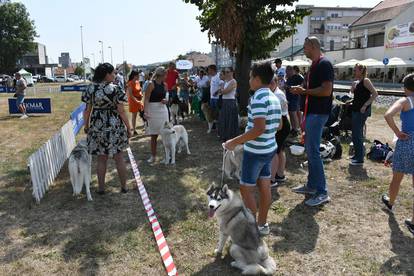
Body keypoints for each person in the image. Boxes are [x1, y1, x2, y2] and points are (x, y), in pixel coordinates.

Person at [224, 62, 281, 236]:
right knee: (265, 186)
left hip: (255, 152)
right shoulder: (273, 97)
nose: (248, 80)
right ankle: (262, 224)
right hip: (269, 149)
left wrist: (234, 141)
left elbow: (258, 129)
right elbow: (278, 125)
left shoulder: (258, 98)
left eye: (250, 77)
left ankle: (251, 226)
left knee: (245, 188)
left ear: (256, 79)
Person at [290, 36, 334, 207]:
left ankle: (322, 192)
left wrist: (304, 91)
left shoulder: (324, 64)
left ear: (314, 46)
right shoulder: (314, 66)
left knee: (313, 151)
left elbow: (326, 90)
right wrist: (301, 90)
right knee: (310, 149)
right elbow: (311, 90)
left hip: (318, 114)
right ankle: (311, 185)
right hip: (311, 113)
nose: (304, 50)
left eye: (305, 47)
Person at [82, 63, 132, 194]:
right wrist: (129, 127)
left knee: (101, 158)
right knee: (119, 157)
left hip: (97, 126)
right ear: (107, 75)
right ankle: (124, 187)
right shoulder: (116, 89)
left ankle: (101, 189)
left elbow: (87, 111)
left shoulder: (90, 88)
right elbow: (121, 111)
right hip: (114, 126)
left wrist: (86, 126)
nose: (115, 76)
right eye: (113, 73)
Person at [382, 73, 414, 236]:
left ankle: (390, 202)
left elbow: (388, 115)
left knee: (397, 178)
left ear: (405, 87)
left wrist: (397, 132)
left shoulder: (405, 100)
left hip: (408, 142)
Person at [350, 63, 378, 166]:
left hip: (362, 111)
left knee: (358, 134)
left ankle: (359, 158)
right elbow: (355, 94)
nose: (353, 72)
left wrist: (365, 105)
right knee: (355, 134)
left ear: (361, 71)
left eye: (355, 70)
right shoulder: (358, 81)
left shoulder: (366, 81)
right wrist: (353, 88)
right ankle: (357, 154)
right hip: (356, 109)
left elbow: (375, 94)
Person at [144, 67, 169, 163]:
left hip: (163, 110)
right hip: (152, 110)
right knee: (154, 135)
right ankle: (153, 156)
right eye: (165, 75)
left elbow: (167, 97)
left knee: (165, 134)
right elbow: (146, 99)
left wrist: (166, 101)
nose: (166, 77)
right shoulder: (151, 84)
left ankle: (166, 156)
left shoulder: (165, 85)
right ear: (161, 75)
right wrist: (146, 112)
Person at [269, 77, 290, 187]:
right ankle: (280, 174)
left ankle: (272, 179)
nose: (270, 84)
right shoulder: (275, 92)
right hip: (281, 122)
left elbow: (279, 113)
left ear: (277, 82)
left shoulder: (277, 94)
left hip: (280, 123)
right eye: (268, 82)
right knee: (280, 150)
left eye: (272, 82)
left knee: (275, 151)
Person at [218, 67, 239, 141]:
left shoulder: (233, 81)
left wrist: (221, 90)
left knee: (230, 120)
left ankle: (230, 137)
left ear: (232, 72)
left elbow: (224, 91)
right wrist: (221, 90)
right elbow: (220, 91)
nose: (226, 73)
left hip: (230, 102)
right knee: (224, 120)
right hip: (225, 102)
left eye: (228, 72)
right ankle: (224, 136)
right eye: (225, 72)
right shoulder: (225, 81)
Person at [286, 66, 304, 136]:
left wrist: (293, 88)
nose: (286, 72)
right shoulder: (289, 77)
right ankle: (294, 128)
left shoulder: (298, 77)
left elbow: (303, 85)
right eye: (286, 71)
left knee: (294, 113)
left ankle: (296, 130)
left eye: (287, 71)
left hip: (295, 98)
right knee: (291, 113)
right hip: (290, 98)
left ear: (292, 70)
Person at [126, 70, 144, 135]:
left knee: (143, 114)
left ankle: (145, 126)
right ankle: (134, 130)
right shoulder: (130, 83)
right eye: (138, 75)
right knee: (134, 116)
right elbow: (130, 94)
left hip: (139, 100)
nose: (139, 77)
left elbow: (140, 90)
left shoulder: (137, 82)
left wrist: (141, 94)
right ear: (134, 76)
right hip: (133, 101)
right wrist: (136, 100)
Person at [208, 64, 222, 133]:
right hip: (212, 98)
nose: (208, 71)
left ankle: (219, 127)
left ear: (212, 70)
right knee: (212, 113)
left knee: (217, 113)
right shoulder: (212, 77)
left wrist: (216, 93)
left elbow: (221, 86)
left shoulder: (218, 76)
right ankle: (214, 126)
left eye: (209, 70)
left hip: (217, 98)